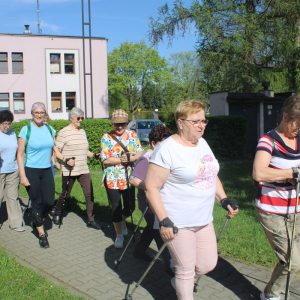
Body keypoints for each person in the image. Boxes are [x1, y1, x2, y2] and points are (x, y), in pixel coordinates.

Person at [145, 100, 239, 300]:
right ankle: (183, 289)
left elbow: (210, 173)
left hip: (203, 219)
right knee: (185, 269)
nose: (201, 125)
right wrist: (164, 220)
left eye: (203, 121)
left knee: (207, 264)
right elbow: (151, 188)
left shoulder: (202, 143)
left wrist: (223, 199)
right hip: (177, 221)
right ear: (180, 122)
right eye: (195, 121)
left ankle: (179, 283)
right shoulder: (167, 149)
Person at [253, 94, 300, 300]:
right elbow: (259, 173)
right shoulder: (268, 139)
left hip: (295, 210)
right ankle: (271, 295)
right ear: (285, 116)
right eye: (297, 123)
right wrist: (293, 173)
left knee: (289, 260)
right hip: (272, 210)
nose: (299, 128)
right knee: (293, 262)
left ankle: (272, 291)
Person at [17, 102, 70, 248]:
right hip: (31, 170)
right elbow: (20, 154)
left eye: (41, 112)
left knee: (48, 202)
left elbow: (55, 149)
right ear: (32, 113)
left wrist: (64, 159)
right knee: (37, 202)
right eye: (36, 112)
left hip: (46, 170)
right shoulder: (26, 130)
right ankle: (42, 234)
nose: (39, 115)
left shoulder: (49, 129)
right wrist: (22, 174)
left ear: (44, 114)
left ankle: (37, 218)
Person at [129, 124, 174, 275]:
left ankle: (140, 250)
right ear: (154, 143)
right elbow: (134, 179)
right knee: (161, 234)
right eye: (164, 143)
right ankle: (171, 266)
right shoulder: (147, 158)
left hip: (160, 203)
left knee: (151, 229)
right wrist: (151, 187)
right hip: (149, 204)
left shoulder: (163, 155)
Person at [101, 109, 143, 248]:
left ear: (127, 123)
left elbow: (140, 153)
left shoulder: (133, 135)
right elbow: (105, 159)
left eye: (122, 124)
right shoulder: (106, 138)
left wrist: (131, 157)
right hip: (113, 178)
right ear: (112, 123)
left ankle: (122, 221)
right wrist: (121, 159)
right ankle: (119, 235)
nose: (119, 127)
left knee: (131, 207)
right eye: (116, 124)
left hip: (130, 177)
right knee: (115, 208)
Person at [53, 107, 101, 230]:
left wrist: (94, 155)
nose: (80, 120)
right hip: (69, 169)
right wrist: (65, 160)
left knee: (89, 194)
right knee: (65, 194)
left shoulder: (82, 132)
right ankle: (57, 213)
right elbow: (57, 152)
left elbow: (85, 151)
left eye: (82, 118)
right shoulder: (63, 132)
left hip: (83, 168)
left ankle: (91, 219)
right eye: (78, 118)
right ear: (71, 119)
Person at [0, 110, 25, 232]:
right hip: (0, 171)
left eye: (9, 123)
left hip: (12, 170)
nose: (7, 126)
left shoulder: (13, 133)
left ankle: (16, 223)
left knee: (13, 197)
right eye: (4, 123)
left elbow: (18, 151)